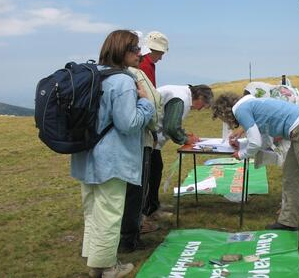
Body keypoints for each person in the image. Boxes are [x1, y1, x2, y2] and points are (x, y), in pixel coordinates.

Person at [71, 30, 155, 278]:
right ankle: (106, 267)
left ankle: (96, 260)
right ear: (122, 51)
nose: (140, 54)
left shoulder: (93, 74)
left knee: (93, 211)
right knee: (109, 212)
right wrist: (145, 103)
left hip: (86, 155)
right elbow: (128, 123)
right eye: (135, 49)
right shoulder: (122, 81)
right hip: (112, 159)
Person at [212, 93, 299, 231]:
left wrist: (241, 154)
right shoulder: (250, 104)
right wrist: (242, 145)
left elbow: (256, 143)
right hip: (298, 127)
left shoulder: (240, 110)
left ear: (225, 112)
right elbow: (264, 139)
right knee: (290, 177)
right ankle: (288, 222)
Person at [140, 84, 214, 231]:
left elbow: (171, 122)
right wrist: (185, 139)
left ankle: (152, 208)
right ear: (199, 97)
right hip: (146, 139)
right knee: (149, 176)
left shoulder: (180, 94)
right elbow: (171, 127)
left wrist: (185, 135)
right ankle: (144, 216)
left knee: (156, 170)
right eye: (203, 104)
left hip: (151, 139)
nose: (200, 109)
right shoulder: (181, 98)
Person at [118, 32, 163, 253]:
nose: (140, 53)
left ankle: (122, 237)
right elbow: (150, 105)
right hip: (137, 139)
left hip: (119, 143)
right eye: (136, 50)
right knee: (135, 189)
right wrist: (154, 128)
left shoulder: (110, 75)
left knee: (123, 192)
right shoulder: (134, 73)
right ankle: (129, 238)